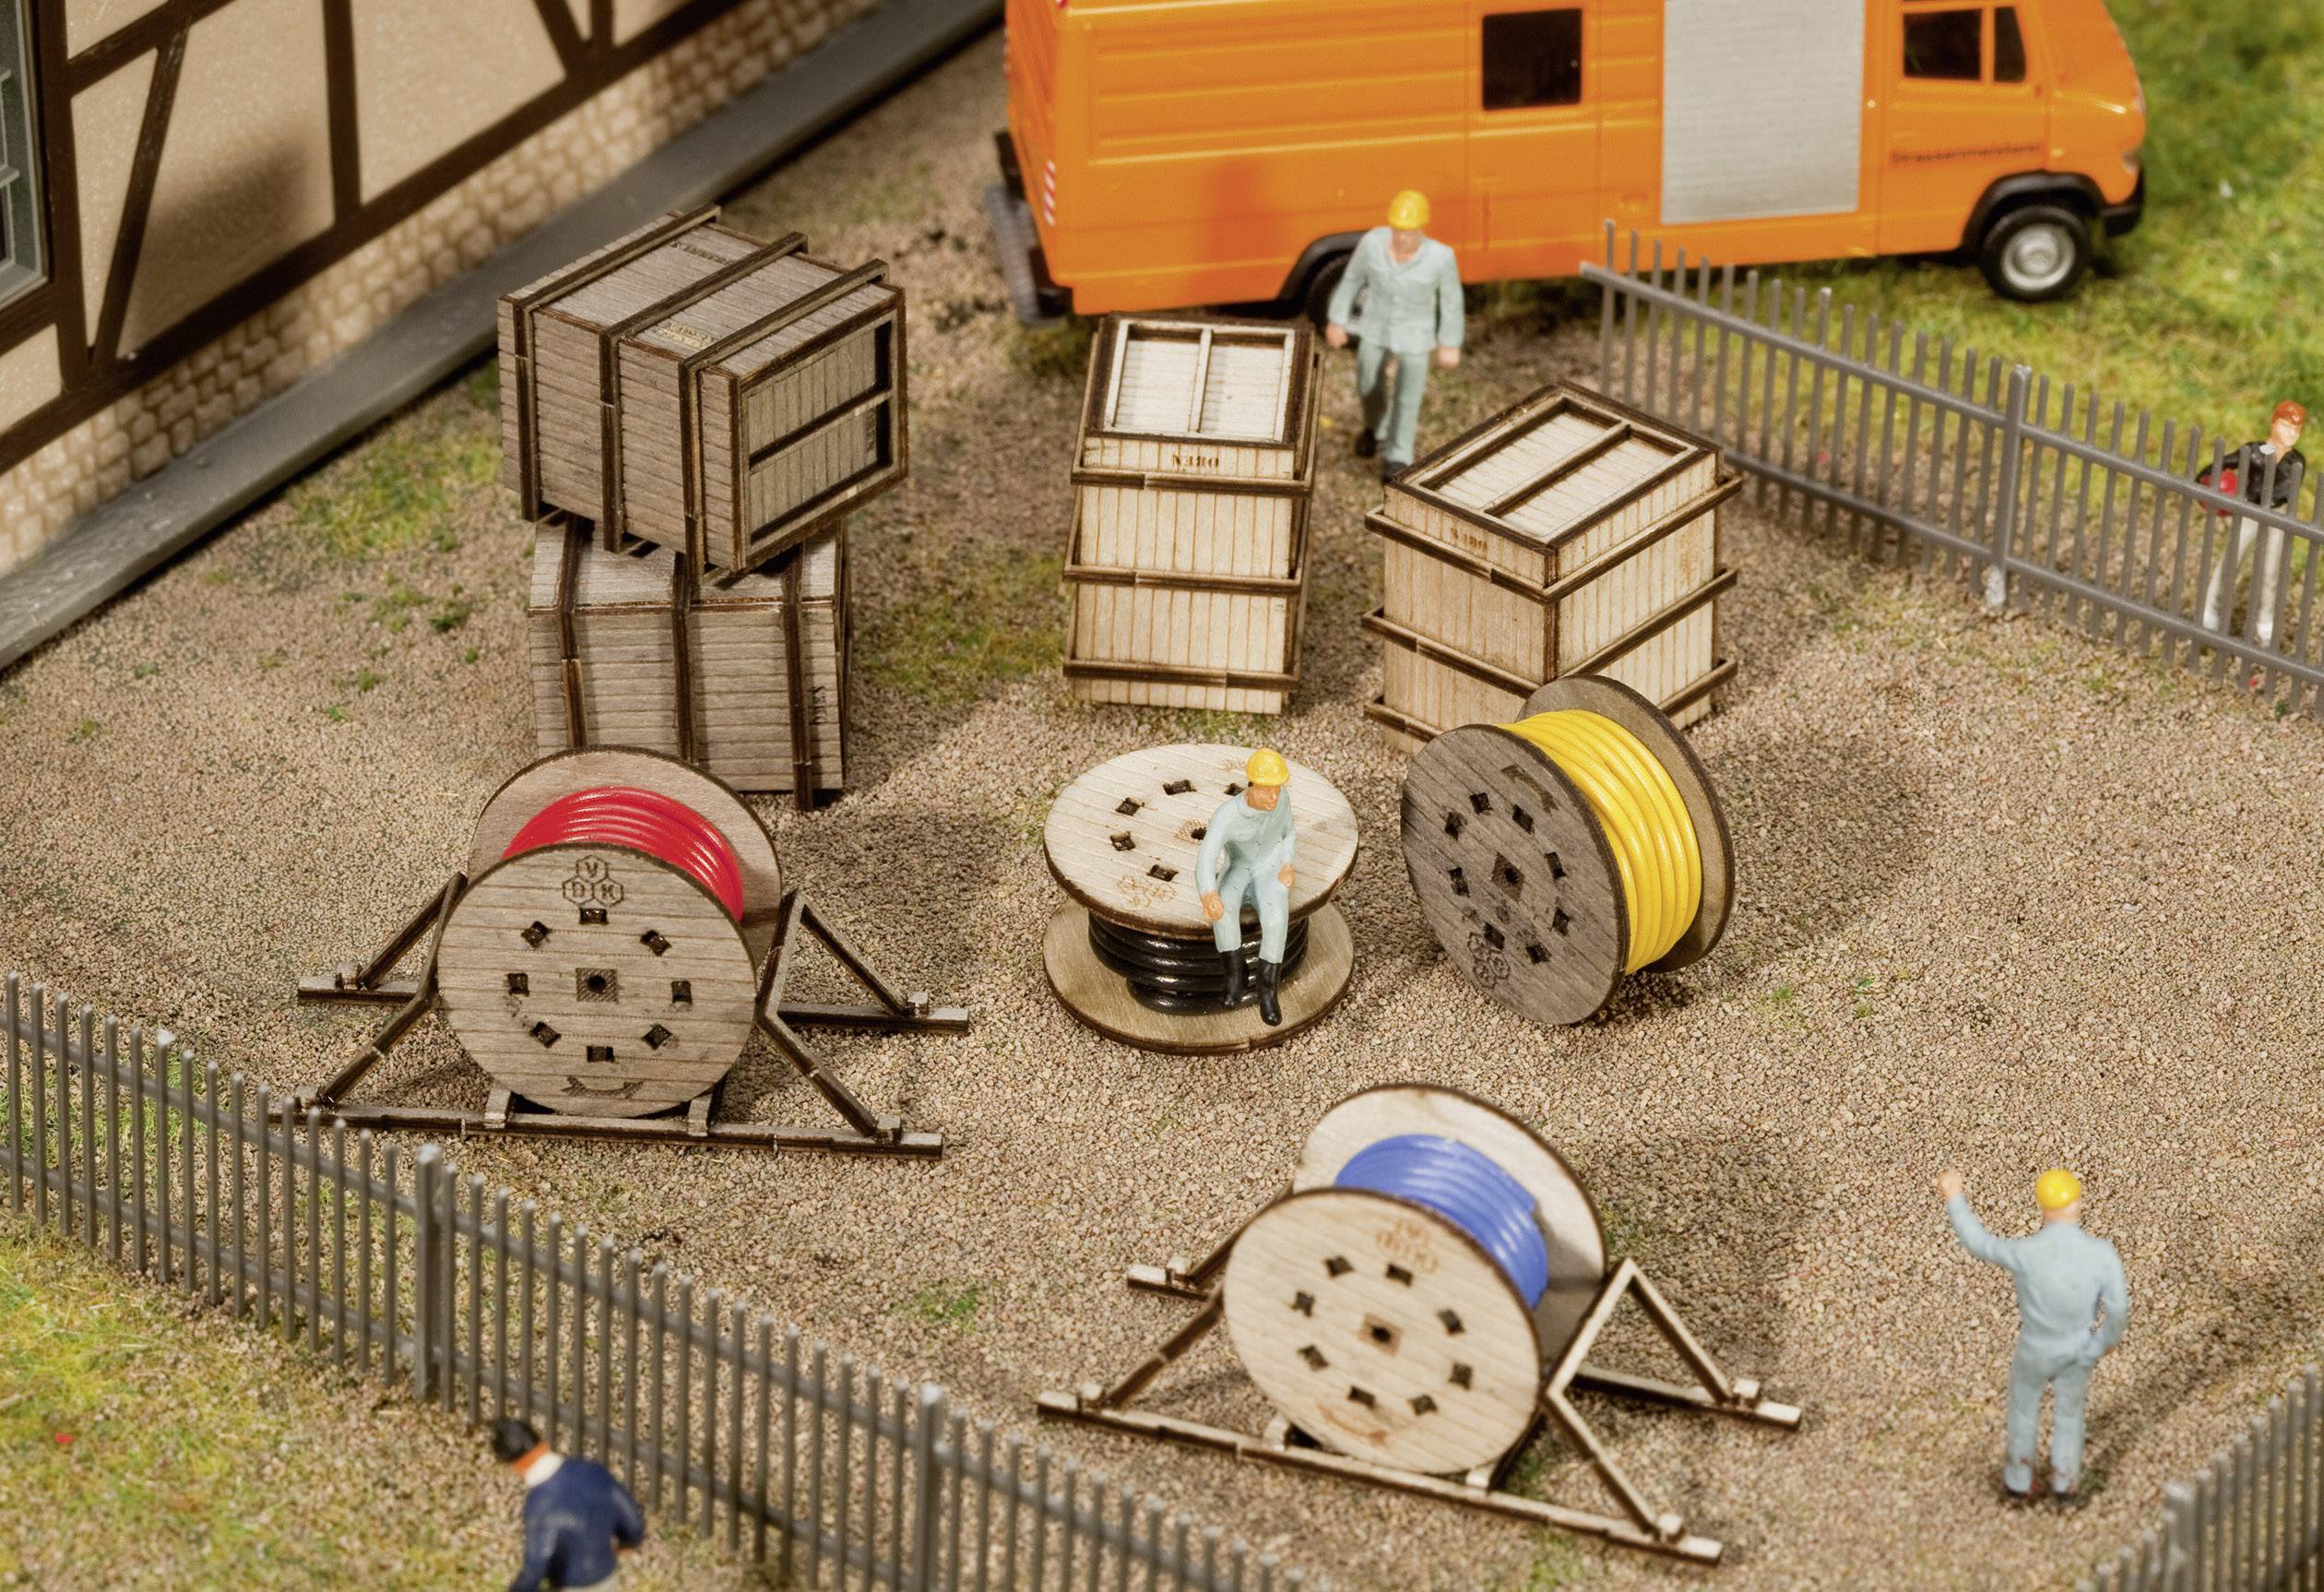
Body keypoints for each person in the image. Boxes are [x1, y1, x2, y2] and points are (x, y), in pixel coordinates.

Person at [1937, 1168, 2129, 1503]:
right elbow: (2117, 1307)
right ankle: (2065, 1483)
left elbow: (1980, 1243)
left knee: (2023, 1411)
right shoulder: (2101, 1254)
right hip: (2078, 1348)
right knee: (2069, 1415)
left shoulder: (2027, 1252)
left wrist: (1954, 1198)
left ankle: (2017, 1481)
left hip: (2035, 1348)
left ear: (2043, 1208)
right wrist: (2104, 1343)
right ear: (2077, 1204)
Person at [1323, 191, 1464, 480]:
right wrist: (1337, 320)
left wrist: (1449, 342)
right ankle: (1376, 427)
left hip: (1416, 332)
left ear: (1421, 229)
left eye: (1408, 231)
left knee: (1407, 394)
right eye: (1397, 230)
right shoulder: (1372, 243)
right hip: (1376, 325)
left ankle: (1398, 453)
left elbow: (1451, 301)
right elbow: (1352, 279)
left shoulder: (1440, 257)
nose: (1401, 237)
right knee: (1367, 379)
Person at [2198, 399, 2307, 651]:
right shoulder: (2256, 451)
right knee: (2231, 560)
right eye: (2286, 426)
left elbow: (2285, 490)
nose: (2291, 433)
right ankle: (2211, 611)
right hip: (2249, 511)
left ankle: (2265, 622)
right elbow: (2225, 461)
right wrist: (2202, 481)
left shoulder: (2296, 461)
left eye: (2296, 429)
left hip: (2277, 515)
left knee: (2270, 571)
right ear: (2274, 423)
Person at [1196, 749, 1296, 1026]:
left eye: (1277, 790)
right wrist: (1208, 892)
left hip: (1270, 867)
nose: (1273, 797)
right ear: (1251, 786)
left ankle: (1268, 991)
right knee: (1223, 911)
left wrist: (1288, 863)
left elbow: (1289, 832)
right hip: (1239, 867)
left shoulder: (1282, 801)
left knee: (1276, 919)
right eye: (1266, 791)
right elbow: (1207, 856)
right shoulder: (1226, 816)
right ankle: (1234, 977)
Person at [494, 1418, 645, 1591]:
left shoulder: (539, 1504)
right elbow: (633, 1524)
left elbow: (535, 1568)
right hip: (607, 1576)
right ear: (542, 1443)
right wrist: (627, 1544)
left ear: (515, 1466)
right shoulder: (592, 1470)